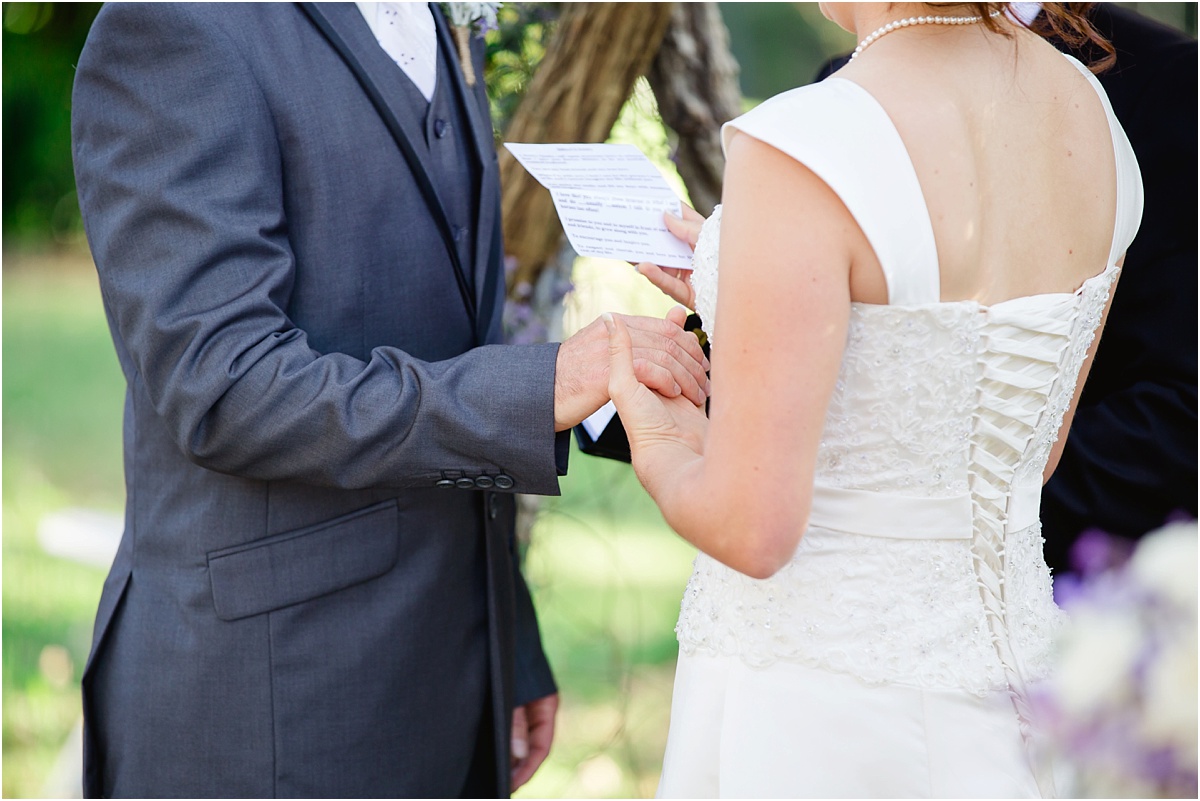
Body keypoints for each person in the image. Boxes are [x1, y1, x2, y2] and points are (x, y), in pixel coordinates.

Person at [70, 2, 708, 797]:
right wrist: (542, 386)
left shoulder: (437, 16)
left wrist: (506, 638)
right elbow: (226, 386)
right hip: (273, 701)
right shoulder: (175, 25)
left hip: (448, 670)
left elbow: (449, 323)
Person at [617, 2, 1141, 797]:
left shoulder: (805, 142)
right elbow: (1028, 452)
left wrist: (658, 434)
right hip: (1021, 698)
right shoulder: (1088, 110)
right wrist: (755, 292)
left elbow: (751, 529)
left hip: (821, 710)